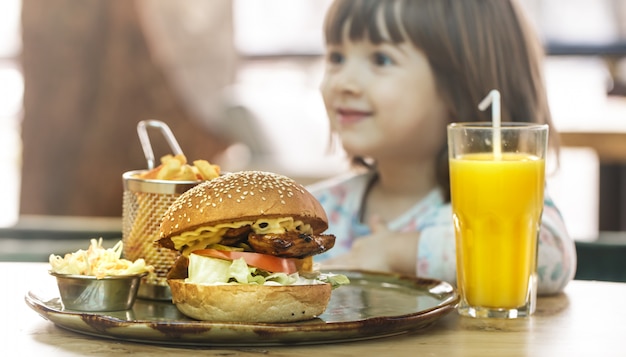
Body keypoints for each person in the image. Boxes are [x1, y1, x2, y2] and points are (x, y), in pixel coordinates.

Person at [308, 0, 577, 295]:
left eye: (381, 59)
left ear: (461, 84)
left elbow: (549, 256)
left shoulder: (500, 206)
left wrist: (398, 253)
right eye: (336, 57)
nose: (343, 82)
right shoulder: (316, 212)